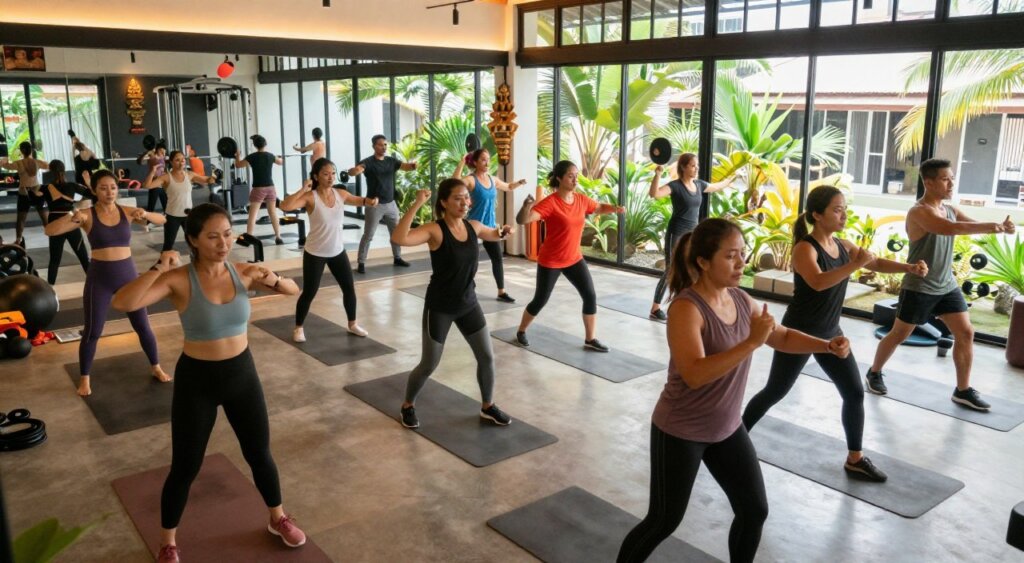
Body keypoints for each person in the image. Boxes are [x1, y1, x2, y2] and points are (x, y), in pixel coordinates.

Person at [617, 218, 851, 563]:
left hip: (727, 428)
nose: (741, 263)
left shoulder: (741, 300)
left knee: (754, 510)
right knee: (664, 520)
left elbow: (782, 336)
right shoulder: (686, 308)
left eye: (743, 254)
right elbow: (695, 373)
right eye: (731, 256)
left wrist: (826, 345)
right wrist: (752, 342)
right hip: (681, 429)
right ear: (703, 261)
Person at [111, 203, 306, 563]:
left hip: (241, 375)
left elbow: (293, 290)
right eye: (213, 236)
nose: (223, 242)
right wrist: (158, 267)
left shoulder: (244, 272)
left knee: (259, 454)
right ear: (194, 240)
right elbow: (123, 301)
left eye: (228, 234)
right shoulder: (179, 279)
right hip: (196, 381)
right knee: (185, 467)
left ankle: (277, 517)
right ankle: (168, 541)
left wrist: (274, 279)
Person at [742, 185, 930, 483]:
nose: (843, 215)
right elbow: (817, 282)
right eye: (837, 209)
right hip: (799, 332)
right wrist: (854, 264)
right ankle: (735, 437)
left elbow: (875, 262)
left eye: (844, 209)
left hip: (832, 333)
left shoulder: (842, 245)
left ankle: (855, 458)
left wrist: (908, 267)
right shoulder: (805, 248)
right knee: (775, 392)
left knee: (854, 393)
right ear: (817, 214)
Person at [865, 158, 1016, 411]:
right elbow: (950, 229)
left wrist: (1002, 227)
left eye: (952, 178)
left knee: (966, 332)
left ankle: (963, 390)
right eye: (946, 179)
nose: (951, 183)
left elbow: (966, 224)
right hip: (919, 285)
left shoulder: (949, 208)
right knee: (900, 334)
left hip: (946, 285)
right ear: (929, 182)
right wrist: (995, 226)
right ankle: (874, 372)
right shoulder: (920, 212)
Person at [391, 180, 514, 429]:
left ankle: (487, 406)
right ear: (444, 202)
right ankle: (407, 405)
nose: (464, 203)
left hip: (468, 303)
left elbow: (494, 234)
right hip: (440, 306)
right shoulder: (434, 230)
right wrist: (416, 204)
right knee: (429, 363)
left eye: (466, 198)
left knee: (487, 357)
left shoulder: (474, 226)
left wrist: (503, 232)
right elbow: (399, 237)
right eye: (458, 198)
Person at [43, 170, 170, 396]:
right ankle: (84, 378)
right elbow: (49, 230)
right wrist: (71, 216)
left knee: (142, 325)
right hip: (99, 278)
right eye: (103, 187)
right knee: (93, 330)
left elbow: (163, 219)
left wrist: (146, 213)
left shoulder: (128, 212)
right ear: (94, 190)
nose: (109, 192)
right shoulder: (86, 214)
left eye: (112, 187)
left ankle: (156, 366)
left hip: (128, 276)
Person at [514, 160, 624, 353]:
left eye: (576, 176)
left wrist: (614, 209)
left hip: (574, 258)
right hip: (551, 260)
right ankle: (521, 330)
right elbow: (523, 220)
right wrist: (526, 206)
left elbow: (597, 207)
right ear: (559, 178)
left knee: (590, 295)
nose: (575, 179)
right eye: (570, 176)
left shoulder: (581, 200)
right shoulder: (551, 203)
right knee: (540, 300)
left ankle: (590, 339)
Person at [281, 158, 376, 342]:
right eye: (325, 174)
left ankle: (352, 324)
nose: (331, 177)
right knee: (309, 292)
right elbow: (285, 206)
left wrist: (370, 202)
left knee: (349, 288)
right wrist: (303, 189)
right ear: (316, 176)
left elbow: (359, 201)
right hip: (315, 253)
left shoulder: (340, 194)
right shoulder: (310, 197)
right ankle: (298, 327)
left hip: (337, 252)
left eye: (333, 173)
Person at [648, 152, 737, 320]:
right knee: (670, 270)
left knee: (692, 270)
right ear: (683, 167)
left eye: (697, 166)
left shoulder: (699, 185)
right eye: (693, 166)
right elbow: (654, 194)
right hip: (676, 232)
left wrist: (732, 178)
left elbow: (717, 186)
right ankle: (655, 308)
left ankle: (687, 305)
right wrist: (657, 174)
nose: (696, 169)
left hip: (692, 235)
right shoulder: (675, 186)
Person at [452, 148, 528, 303]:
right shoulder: (471, 180)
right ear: (475, 162)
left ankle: (501, 292)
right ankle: (464, 289)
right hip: (473, 225)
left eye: (488, 159)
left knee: (497, 259)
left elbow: (508, 187)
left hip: (490, 227)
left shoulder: (493, 179)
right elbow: (454, 184)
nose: (487, 162)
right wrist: (461, 163)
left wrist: (519, 183)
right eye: (483, 160)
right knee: (471, 261)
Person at [348, 134, 418, 273]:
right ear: (374, 146)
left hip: (391, 204)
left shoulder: (391, 161)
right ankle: (361, 263)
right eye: (381, 144)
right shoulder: (367, 162)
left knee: (396, 233)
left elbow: (405, 167)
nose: (384, 147)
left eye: (385, 144)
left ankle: (397, 258)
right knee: (368, 235)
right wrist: (354, 171)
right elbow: (355, 171)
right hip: (374, 205)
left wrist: (413, 166)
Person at [144, 150, 218, 252]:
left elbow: (206, 180)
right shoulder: (166, 177)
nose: (181, 162)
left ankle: (197, 264)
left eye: (183, 160)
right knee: (168, 247)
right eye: (177, 160)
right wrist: (152, 172)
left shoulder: (190, 175)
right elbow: (147, 186)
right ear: (171, 162)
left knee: (195, 244)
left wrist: (213, 177)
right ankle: (163, 265)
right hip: (172, 216)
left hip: (188, 215)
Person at [42, 159, 91, 284]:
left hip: (55, 221)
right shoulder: (72, 186)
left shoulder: (46, 188)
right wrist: (88, 183)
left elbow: (34, 199)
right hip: (70, 221)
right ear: (64, 171)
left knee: (54, 260)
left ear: (50, 171)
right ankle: (94, 283)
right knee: (83, 256)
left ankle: (50, 288)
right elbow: (92, 195)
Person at [234, 135, 284, 244]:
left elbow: (238, 165)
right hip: (270, 188)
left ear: (255, 145)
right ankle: (278, 237)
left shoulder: (252, 157)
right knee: (273, 213)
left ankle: (249, 238)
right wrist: (279, 157)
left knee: (253, 215)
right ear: (265, 144)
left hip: (258, 189)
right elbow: (281, 162)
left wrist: (237, 155)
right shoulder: (270, 156)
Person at [0, 141, 50, 247]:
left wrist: (4, 160)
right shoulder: (37, 162)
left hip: (24, 192)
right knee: (44, 218)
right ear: (31, 150)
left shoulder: (19, 163)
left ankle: (18, 240)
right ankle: (53, 236)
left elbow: (5, 166)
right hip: (36, 191)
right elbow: (49, 166)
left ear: (22, 151)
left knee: (21, 219)